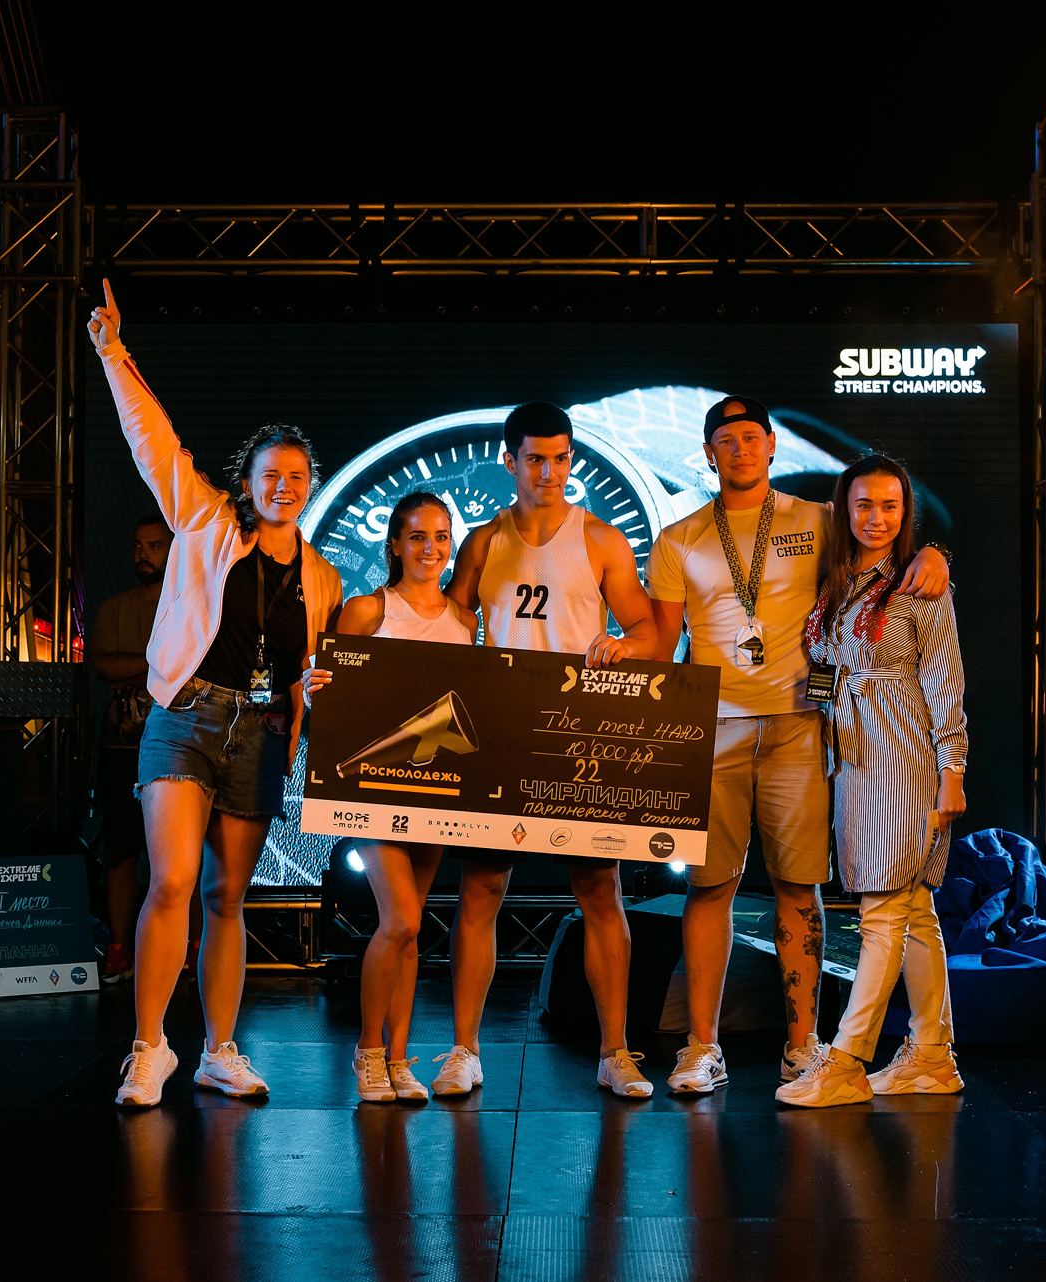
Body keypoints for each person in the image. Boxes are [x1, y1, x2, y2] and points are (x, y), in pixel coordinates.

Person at [88, 280, 344, 1107]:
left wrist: (315, 691)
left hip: (260, 733)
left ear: (310, 484)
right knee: (171, 882)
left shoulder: (322, 578)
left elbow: (309, 670)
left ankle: (219, 1051)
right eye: (271, 474)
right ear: (251, 480)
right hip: (185, 718)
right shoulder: (206, 524)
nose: (284, 486)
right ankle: (149, 1049)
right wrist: (113, 353)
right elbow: (153, 443)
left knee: (228, 896)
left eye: (297, 476)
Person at [647, 399, 949, 1096]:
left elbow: (884, 544)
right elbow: (660, 644)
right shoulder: (679, 537)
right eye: (727, 441)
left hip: (799, 725)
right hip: (712, 729)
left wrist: (934, 553)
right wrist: (612, 655)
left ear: (772, 446)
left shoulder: (816, 519)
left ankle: (802, 1046)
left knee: (799, 887)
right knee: (708, 887)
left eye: (751, 438)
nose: (740, 450)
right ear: (708, 452)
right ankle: (701, 1047)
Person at [435, 402, 662, 1098]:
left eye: (561, 458)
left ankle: (615, 1052)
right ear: (510, 461)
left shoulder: (600, 539)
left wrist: (624, 646)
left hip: (577, 734)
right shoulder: (482, 542)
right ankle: (464, 1050)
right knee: (481, 890)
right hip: (502, 730)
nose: (550, 471)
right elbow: (443, 625)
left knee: (599, 890)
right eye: (536, 458)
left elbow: (649, 630)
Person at [778, 453, 968, 1107]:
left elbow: (945, 686)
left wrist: (953, 772)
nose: (877, 518)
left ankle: (846, 1060)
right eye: (864, 504)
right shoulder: (835, 584)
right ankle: (933, 1057)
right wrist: (813, 708)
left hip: (906, 762)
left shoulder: (921, 584)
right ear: (844, 509)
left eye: (891, 506)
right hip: (853, 760)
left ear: (906, 512)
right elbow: (828, 673)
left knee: (883, 912)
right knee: (915, 913)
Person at [312, 492, 479, 1102]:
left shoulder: (465, 621)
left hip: (434, 788)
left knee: (411, 927)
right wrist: (313, 686)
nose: (431, 549)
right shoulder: (367, 608)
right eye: (417, 536)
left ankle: (401, 1058)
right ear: (394, 544)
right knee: (401, 918)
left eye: (441, 536)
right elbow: (331, 692)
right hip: (372, 789)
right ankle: (367, 1051)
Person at [90, 515, 175, 983]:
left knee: (179, 855)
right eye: (138, 546)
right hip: (121, 748)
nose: (143, 553)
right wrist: (157, 662)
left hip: (177, 746)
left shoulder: (190, 607)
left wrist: (137, 666)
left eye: (154, 546)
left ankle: (185, 948)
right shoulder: (113, 609)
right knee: (122, 851)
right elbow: (104, 667)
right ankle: (119, 947)